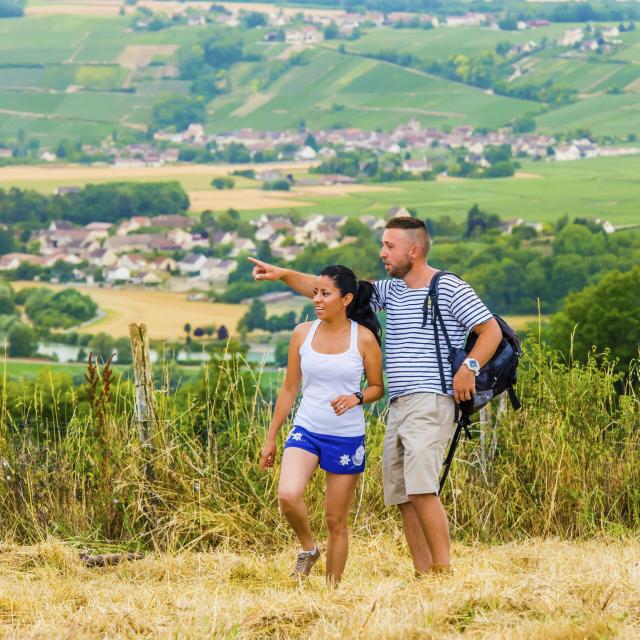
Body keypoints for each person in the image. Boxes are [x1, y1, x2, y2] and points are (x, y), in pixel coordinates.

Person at [250, 217, 502, 576]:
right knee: (404, 496)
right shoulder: (391, 290)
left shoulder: (449, 288)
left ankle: (444, 575)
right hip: (398, 404)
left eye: (389, 246)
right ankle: (423, 575)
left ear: (414, 251)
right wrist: (281, 274)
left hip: (430, 399)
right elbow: (331, 290)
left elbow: (489, 329)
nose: (382, 253)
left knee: (422, 490)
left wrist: (470, 366)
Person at [259, 265, 384, 586]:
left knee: (335, 521)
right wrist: (271, 437)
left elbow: (376, 387)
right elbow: (289, 389)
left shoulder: (365, 339)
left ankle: (332, 594)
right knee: (288, 495)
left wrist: (356, 397)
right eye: (315, 292)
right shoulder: (302, 333)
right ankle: (309, 549)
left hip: (345, 439)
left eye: (325, 294)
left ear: (346, 299)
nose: (317, 299)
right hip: (307, 430)